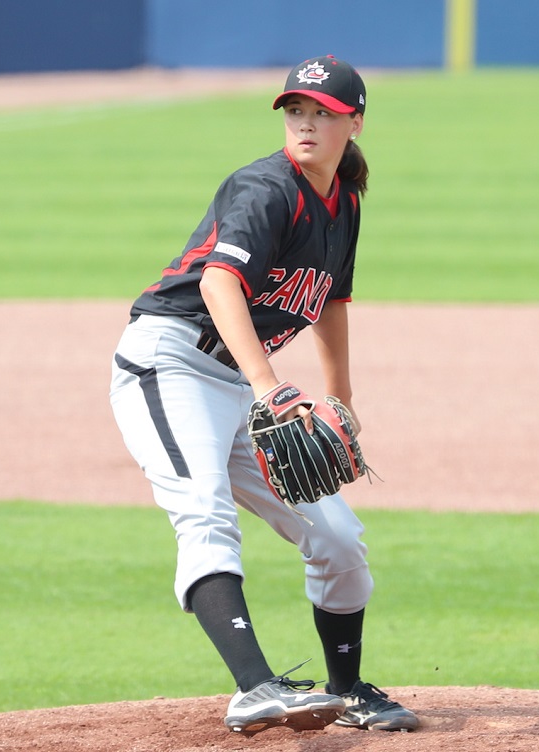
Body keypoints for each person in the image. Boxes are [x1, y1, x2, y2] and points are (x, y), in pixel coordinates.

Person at [109, 55, 418, 736]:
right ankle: (254, 688)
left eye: (323, 113)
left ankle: (346, 690)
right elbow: (220, 286)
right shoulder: (264, 188)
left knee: (338, 536)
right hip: (171, 365)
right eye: (296, 111)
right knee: (204, 514)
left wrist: (340, 399)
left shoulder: (345, 201)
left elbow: (332, 298)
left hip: (241, 384)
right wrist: (270, 389)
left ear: (354, 122)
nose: (306, 123)